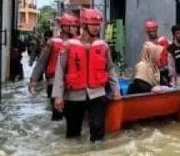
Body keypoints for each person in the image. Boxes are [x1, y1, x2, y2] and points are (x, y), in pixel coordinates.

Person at [53, 8, 119, 142]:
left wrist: (116, 90)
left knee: (98, 131)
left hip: (97, 94)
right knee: (73, 133)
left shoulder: (103, 46)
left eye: (97, 25)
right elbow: (60, 70)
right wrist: (58, 95)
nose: (96, 28)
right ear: (84, 25)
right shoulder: (68, 45)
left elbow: (110, 69)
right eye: (93, 24)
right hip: (74, 96)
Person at [29, 13, 78, 121]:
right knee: (57, 115)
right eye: (73, 26)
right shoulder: (52, 42)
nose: (75, 29)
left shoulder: (78, 43)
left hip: (72, 83)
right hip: (54, 81)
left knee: (71, 115)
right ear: (64, 27)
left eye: (76, 26)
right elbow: (42, 61)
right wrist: (34, 79)